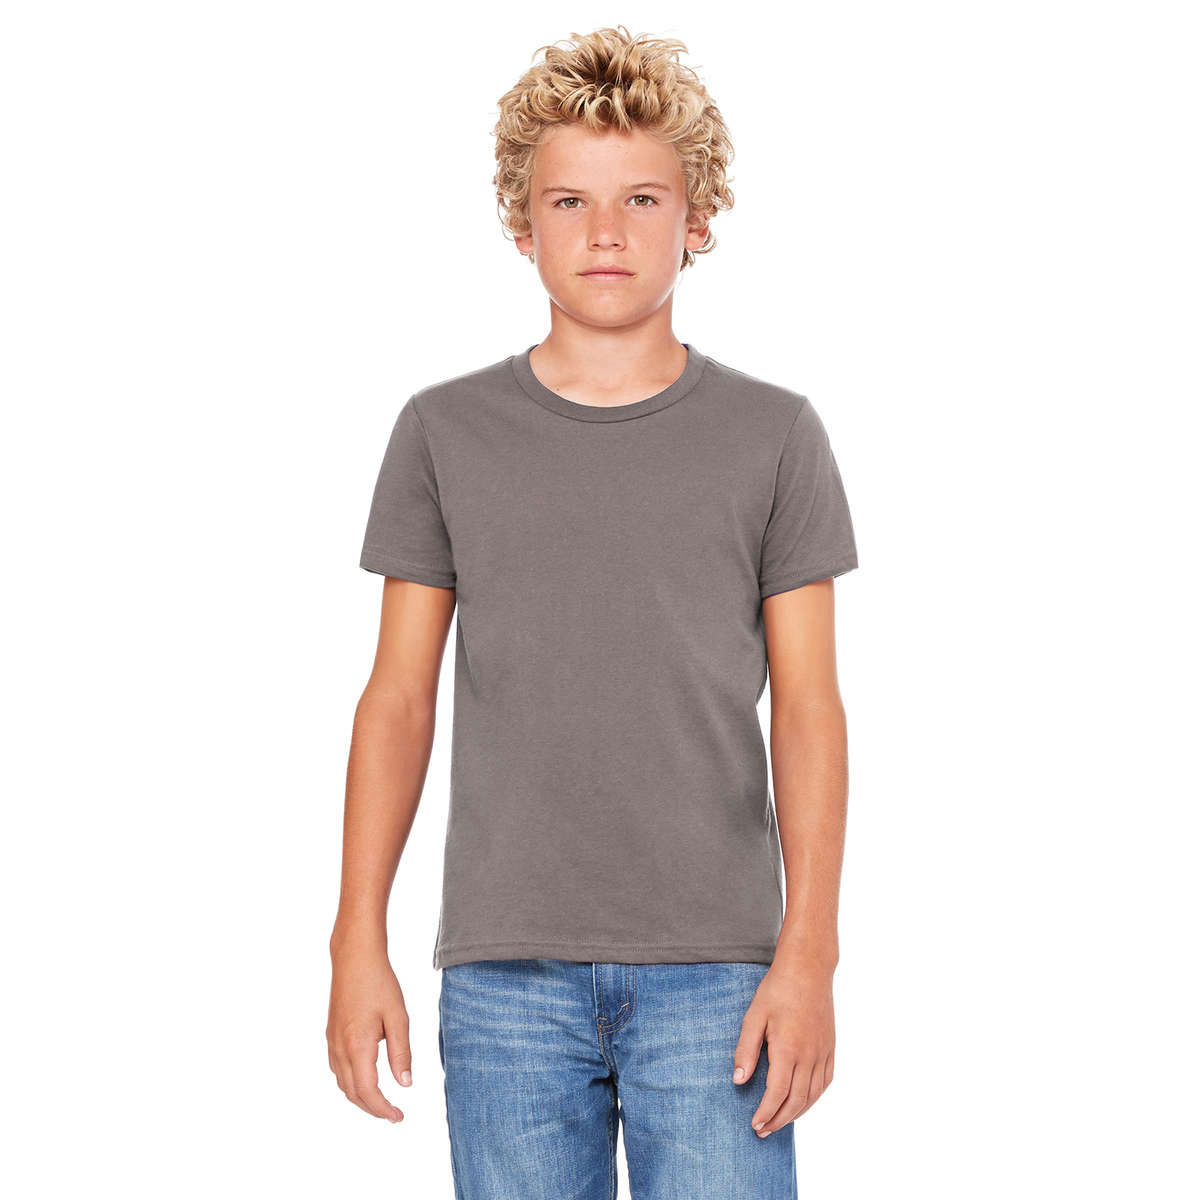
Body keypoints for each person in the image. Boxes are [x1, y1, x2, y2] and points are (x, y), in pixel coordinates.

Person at [327, 25, 859, 1199]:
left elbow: (809, 709)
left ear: (698, 219)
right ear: (522, 226)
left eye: (642, 199)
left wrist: (810, 953)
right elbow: (398, 699)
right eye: (569, 201)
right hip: (505, 976)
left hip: (720, 974)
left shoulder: (775, 436)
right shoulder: (442, 432)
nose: (605, 232)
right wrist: (355, 935)